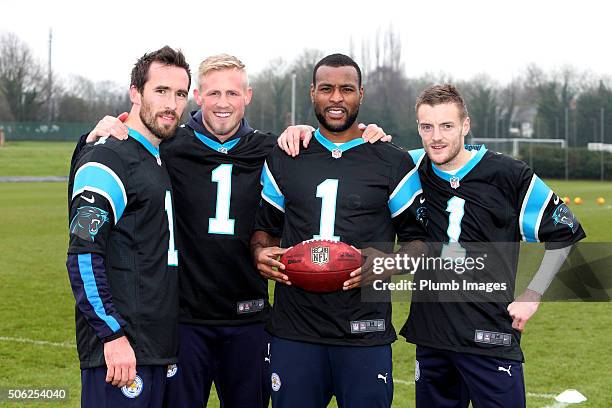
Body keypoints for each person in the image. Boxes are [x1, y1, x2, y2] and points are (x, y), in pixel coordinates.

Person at [82, 54, 389, 408]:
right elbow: (118, 152)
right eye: (213, 94)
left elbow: (333, 145)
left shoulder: (275, 150)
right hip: (184, 320)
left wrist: (358, 131)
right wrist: (94, 133)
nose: (223, 103)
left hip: (250, 320)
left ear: (248, 96)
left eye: (232, 93)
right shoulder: (169, 145)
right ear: (198, 96)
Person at [251, 53, 428, 408]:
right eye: (327, 89)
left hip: (365, 331)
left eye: (346, 89)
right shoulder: (286, 155)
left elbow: (420, 243)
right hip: (295, 330)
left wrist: (386, 264)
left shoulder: (392, 161)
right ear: (312, 93)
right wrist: (259, 252)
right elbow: (263, 231)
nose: (336, 98)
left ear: (361, 94)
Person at [399, 84, 586, 407]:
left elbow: (565, 232)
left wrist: (532, 295)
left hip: (489, 335)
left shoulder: (510, 175)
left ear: (465, 125)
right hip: (433, 338)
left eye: (447, 126)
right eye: (426, 127)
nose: (436, 137)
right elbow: (360, 155)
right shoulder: (411, 167)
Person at [65, 46, 190, 407]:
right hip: (121, 353)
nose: (171, 104)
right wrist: (112, 335)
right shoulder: (108, 158)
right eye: (161, 91)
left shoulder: (155, 154)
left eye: (179, 94)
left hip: (157, 347)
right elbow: (83, 254)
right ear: (135, 93)